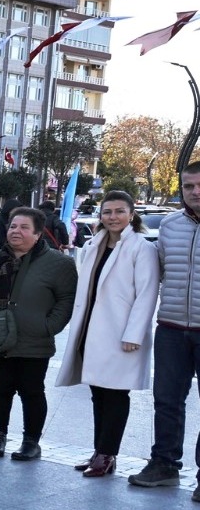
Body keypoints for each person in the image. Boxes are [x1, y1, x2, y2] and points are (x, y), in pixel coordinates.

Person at [55, 192, 158, 477]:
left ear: (131, 214)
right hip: (92, 329)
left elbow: (147, 294)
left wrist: (134, 333)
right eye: (107, 212)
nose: (113, 217)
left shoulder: (141, 248)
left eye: (119, 211)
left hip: (121, 333)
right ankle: (99, 451)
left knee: (115, 395)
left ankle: (107, 454)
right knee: (98, 393)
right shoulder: (93, 245)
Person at [0, 207, 77, 460]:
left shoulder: (59, 263)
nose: (15, 231)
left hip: (34, 339)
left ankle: (31, 441)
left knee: (32, 391)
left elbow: (66, 300)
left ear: (38, 234)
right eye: (12, 226)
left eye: (23, 227)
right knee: (0, 389)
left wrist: (47, 326)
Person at [132, 162, 200, 493]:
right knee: (167, 400)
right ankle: (164, 464)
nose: (195, 191)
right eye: (189, 186)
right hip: (171, 328)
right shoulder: (171, 225)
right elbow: (153, 271)